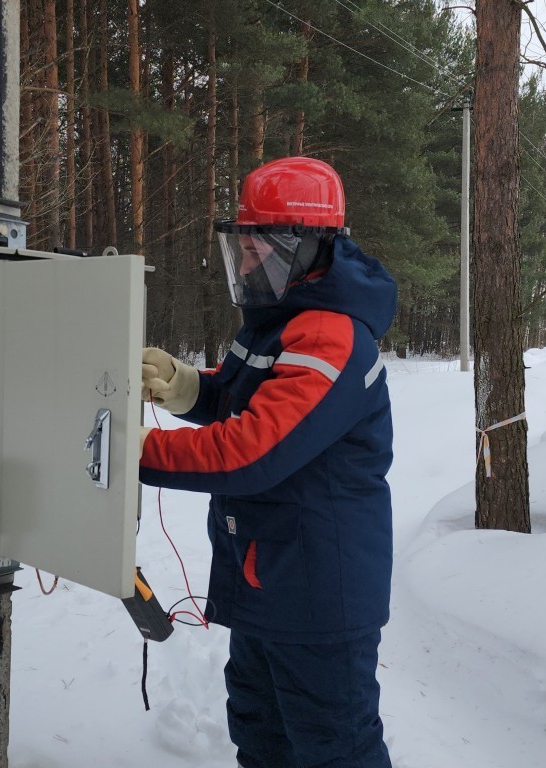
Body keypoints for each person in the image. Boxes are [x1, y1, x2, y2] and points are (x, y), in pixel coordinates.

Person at [138, 156, 396, 768]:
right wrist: (186, 387)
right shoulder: (275, 326)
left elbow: (254, 449)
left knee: (336, 750)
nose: (250, 261)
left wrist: (130, 453)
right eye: (244, 245)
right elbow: (237, 398)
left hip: (316, 593)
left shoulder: (331, 336)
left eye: (264, 246)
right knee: (261, 734)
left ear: (312, 248)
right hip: (267, 576)